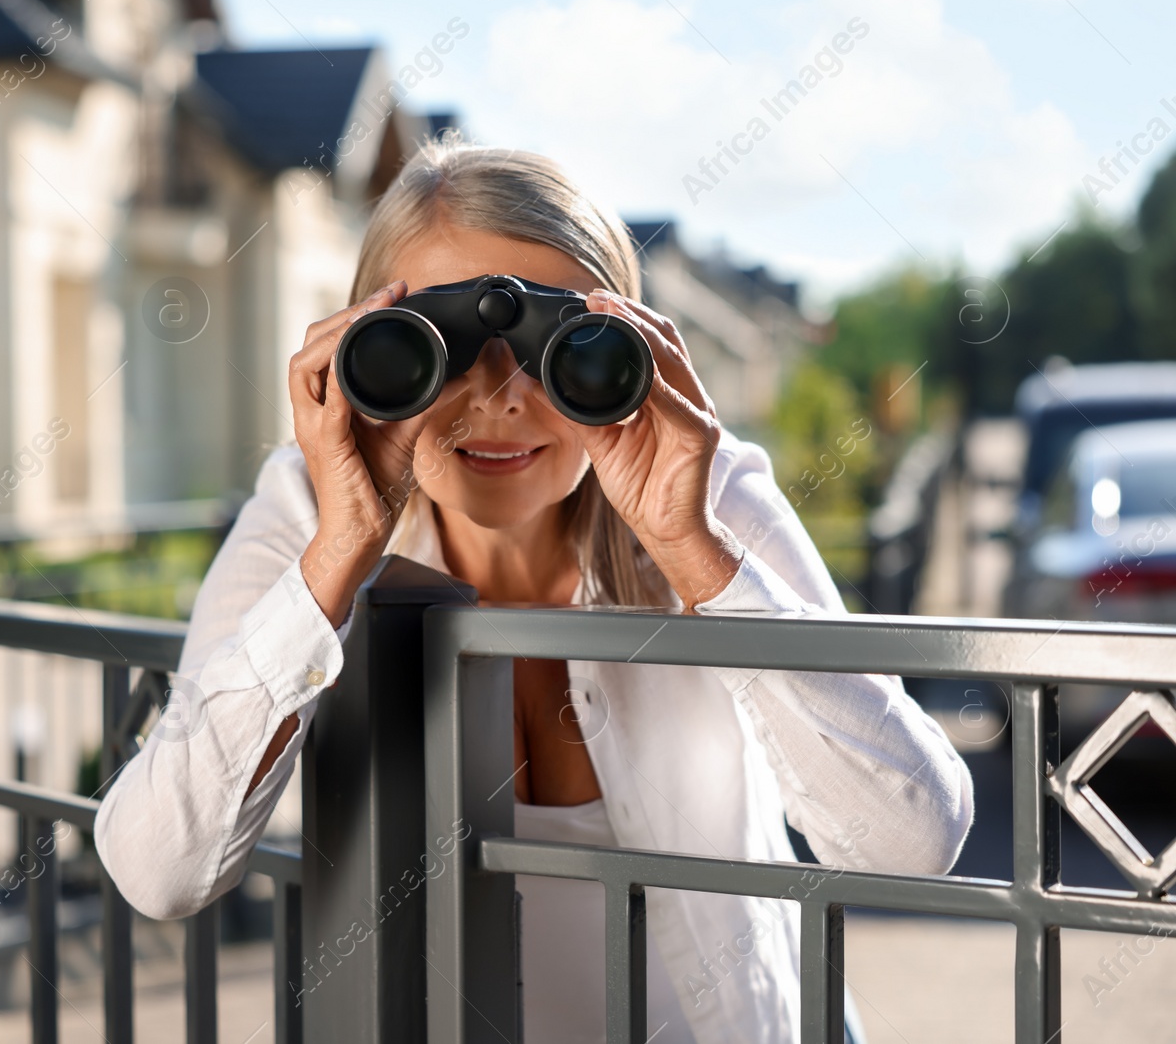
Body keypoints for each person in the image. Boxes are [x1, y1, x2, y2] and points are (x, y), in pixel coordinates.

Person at [94, 138, 974, 1043]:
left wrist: (693, 549)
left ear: (625, 347)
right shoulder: (310, 502)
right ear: (368, 349)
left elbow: (911, 841)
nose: (499, 397)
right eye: (436, 350)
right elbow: (158, 867)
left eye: (556, 351)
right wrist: (337, 557)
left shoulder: (702, 481)